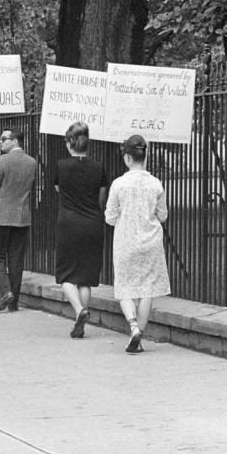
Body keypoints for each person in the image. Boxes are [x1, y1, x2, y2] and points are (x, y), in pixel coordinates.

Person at [105, 134, 169, 354]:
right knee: (146, 290)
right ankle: (139, 335)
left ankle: (133, 326)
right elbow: (163, 215)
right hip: (150, 241)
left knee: (125, 288)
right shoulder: (156, 184)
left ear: (127, 158)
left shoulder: (118, 184)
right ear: (145, 156)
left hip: (126, 241)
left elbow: (110, 217)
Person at [54, 122, 109, 338]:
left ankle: (79, 311)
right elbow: (101, 198)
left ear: (69, 142)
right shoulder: (99, 167)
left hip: (68, 223)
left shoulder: (60, 166)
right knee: (85, 277)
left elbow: (59, 190)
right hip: (93, 223)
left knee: (65, 275)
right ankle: (82, 324)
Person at [0, 128, 38, 313]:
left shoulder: (2, 161)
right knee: (16, 259)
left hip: (1, 215)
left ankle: (6, 291)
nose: (0, 142)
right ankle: (14, 302)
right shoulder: (32, 162)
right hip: (22, 216)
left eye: (4, 139)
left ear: (15, 141)